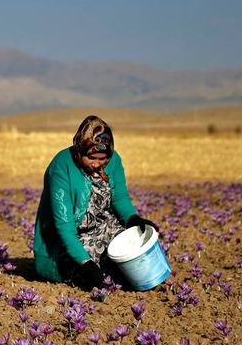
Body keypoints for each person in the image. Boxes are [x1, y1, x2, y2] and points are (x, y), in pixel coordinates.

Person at [32, 115, 158, 288]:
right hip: (71, 239)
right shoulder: (62, 166)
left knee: (136, 251)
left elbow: (119, 198)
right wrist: (86, 264)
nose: (97, 164)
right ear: (80, 150)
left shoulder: (114, 161)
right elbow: (65, 227)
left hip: (106, 228)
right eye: (91, 158)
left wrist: (133, 219)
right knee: (95, 277)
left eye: (102, 158)